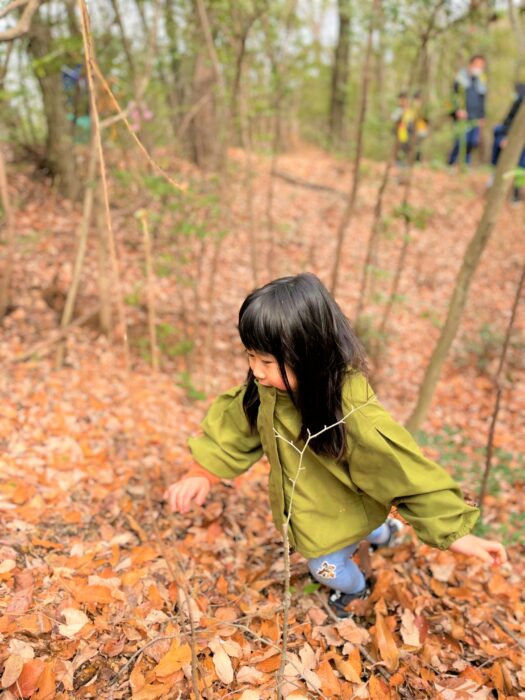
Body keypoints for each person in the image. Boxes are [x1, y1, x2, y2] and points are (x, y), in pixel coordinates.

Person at [164, 274, 507, 618]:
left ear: (308, 355)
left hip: (349, 503)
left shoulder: (350, 409)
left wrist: (454, 532)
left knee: (323, 567)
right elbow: (235, 429)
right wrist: (202, 473)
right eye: (251, 356)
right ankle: (384, 531)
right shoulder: (268, 391)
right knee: (363, 523)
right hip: (323, 510)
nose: (256, 371)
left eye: (267, 362)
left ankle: (357, 587)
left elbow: (401, 467)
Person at [448, 55, 487, 166]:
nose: (479, 68)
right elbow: (453, 98)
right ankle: (452, 162)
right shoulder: (460, 79)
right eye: (477, 65)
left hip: (475, 117)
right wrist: (457, 110)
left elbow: (482, 101)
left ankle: (466, 164)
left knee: (472, 142)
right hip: (462, 116)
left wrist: (481, 117)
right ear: (470, 65)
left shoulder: (481, 83)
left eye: (481, 66)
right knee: (460, 141)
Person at [490, 82, 525, 203]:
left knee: (522, 166)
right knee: (515, 163)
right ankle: (496, 183)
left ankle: (516, 190)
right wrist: (506, 136)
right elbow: (510, 119)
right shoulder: (521, 99)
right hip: (516, 139)